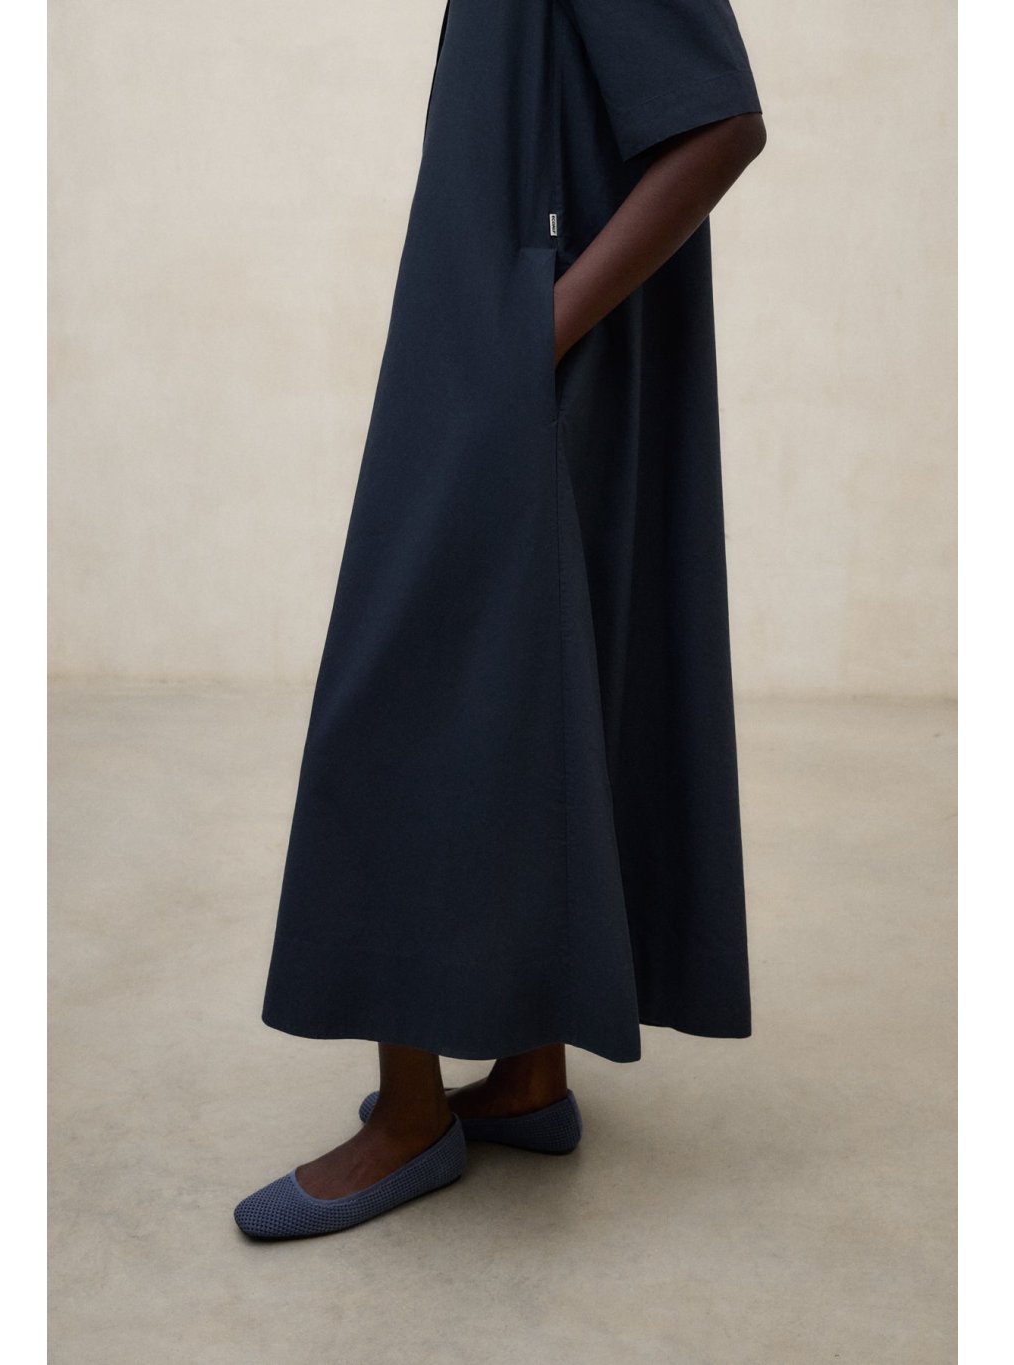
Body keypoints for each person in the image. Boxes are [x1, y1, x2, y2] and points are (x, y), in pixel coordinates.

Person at [235, 0, 767, 1240]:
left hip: (515, 370)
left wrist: (537, 330)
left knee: (405, 704)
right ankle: (528, 1078)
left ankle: (411, 1119)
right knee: (520, 703)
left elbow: (720, 125)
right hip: (484, 356)